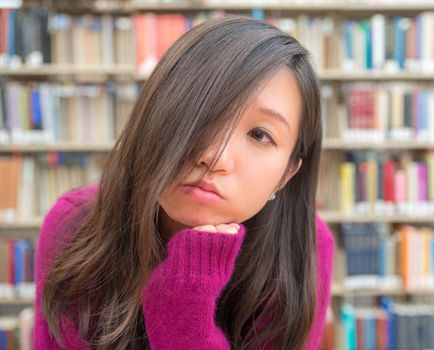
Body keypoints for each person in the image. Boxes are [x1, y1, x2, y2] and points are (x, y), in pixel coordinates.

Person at [34, 15, 334, 349]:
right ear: (154, 116)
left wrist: (184, 302)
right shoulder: (75, 226)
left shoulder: (304, 245)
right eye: (203, 116)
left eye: (259, 134)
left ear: (287, 174)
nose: (214, 157)